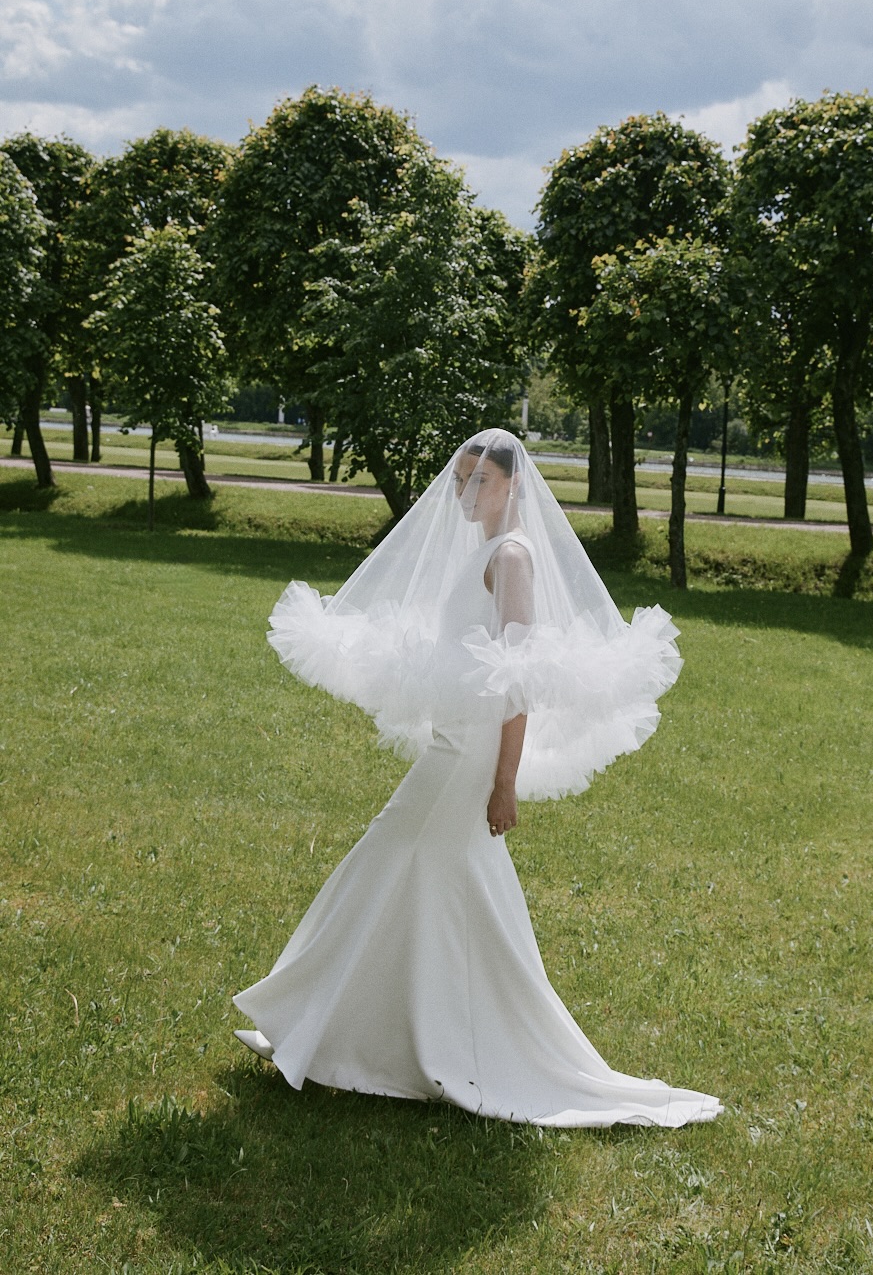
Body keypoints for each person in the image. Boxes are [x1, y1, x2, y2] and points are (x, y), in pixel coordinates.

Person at [233, 428, 721, 1127]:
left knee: (384, 861)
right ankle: (355, 1035)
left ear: (513, 484)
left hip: (468, 757)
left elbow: (517, 684)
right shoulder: (485, 552)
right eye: (460, 479)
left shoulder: (512, 557)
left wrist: (504, 781)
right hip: (452, 742)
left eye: (480, 480)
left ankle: (336, 1031)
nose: (465, 493)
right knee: (427, 880)